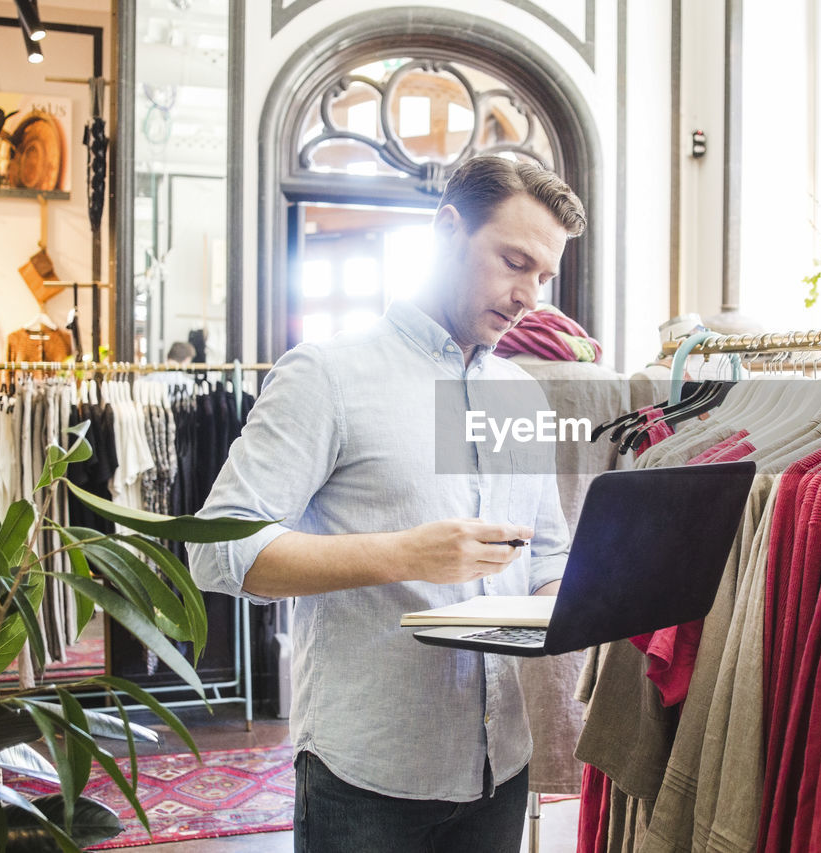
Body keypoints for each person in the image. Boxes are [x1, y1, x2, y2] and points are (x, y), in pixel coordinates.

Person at [187, 156, 587, 853]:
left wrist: (582, 598)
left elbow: (546, 551)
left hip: (501, 768)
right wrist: (404, 552)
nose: (530, 296)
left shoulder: (519, 393)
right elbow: (218, 552)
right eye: (513, 261)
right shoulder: (326, 375)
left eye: (543, 276)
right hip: (366, 779)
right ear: (447, 230)